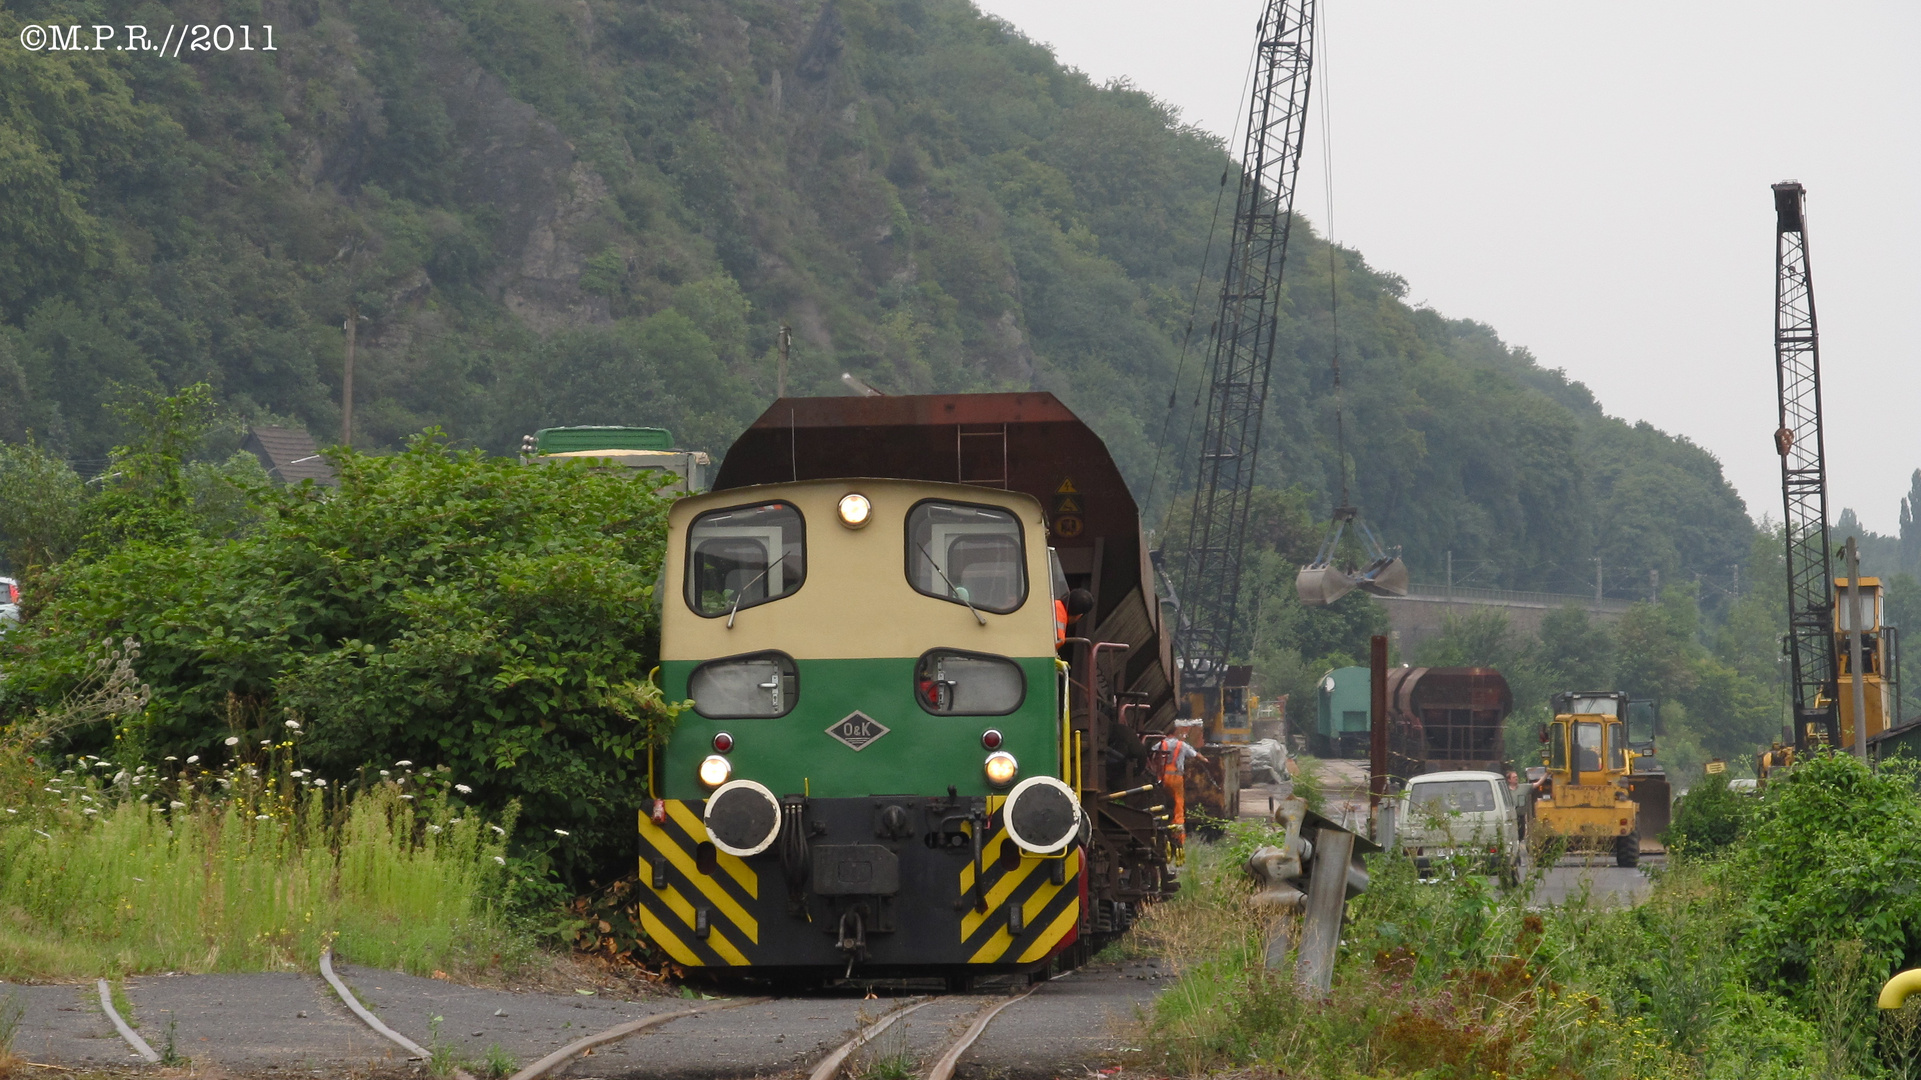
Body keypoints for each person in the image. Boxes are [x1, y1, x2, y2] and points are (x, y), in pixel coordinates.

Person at [1152, 732, 1221, 841]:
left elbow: (1152, 754)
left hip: (1162, 778)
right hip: (1176, 778)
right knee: (1178, 806)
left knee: (1161, 803)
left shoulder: (1161, 744)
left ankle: (1158, 830)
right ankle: (1178, 837)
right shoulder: (1182, 745)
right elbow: (1196, 755)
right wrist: (1206, 761)